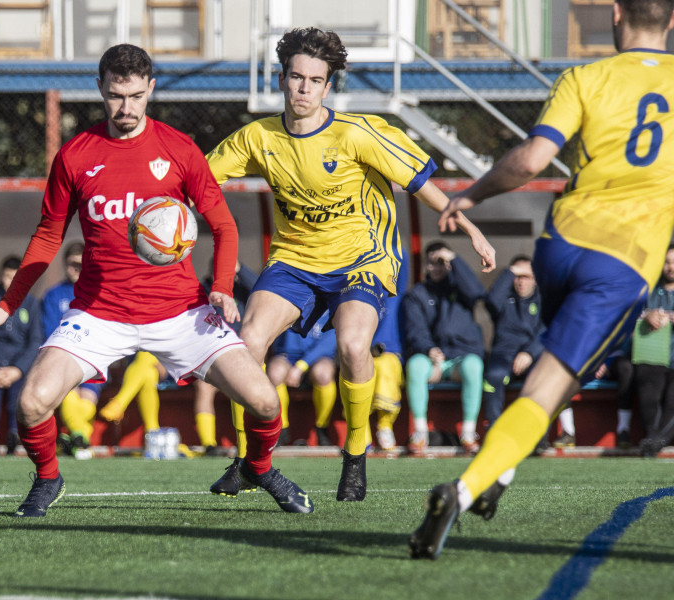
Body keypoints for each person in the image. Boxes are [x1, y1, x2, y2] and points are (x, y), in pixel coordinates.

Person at [0, 44, 313, 517]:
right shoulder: (75, 156)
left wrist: (219, 284)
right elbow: (48, 236)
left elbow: (224, 226)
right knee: (31, 404)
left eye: (136, 96)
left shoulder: (179, 149)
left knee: (262, 400)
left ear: (151, 89)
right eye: (116, 95)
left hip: (182, 312)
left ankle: (258, 467)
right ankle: (49, 479)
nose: (126, 108)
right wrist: (7, 305)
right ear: (100, 89)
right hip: (99, 312)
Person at [411, 0, 674, 559]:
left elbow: (533, 159)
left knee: (562, 367)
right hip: (622, 265)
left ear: (615, 13)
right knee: (555, 380)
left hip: (560, 246)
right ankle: (463, 490)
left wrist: (470, 195)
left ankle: (501, 474)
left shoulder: (583, 76)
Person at [206, 27, 495, 502]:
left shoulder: (356, 133)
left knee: (354, 346)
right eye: (296, 78)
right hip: (295, 260)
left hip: (363, 260)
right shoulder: (257, 137)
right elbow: (194, 176)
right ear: (282, 79)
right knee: (247, 342)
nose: (304, 89)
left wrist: (471, 230)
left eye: (315, 81)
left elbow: (422, 185)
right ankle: (247, 460)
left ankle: (355, 456)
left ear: (328, 86)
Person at [402, 241, 486, 456]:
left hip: (460, 358)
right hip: (432, 359)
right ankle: (420, 433)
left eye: (441, 263)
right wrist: (430, 350)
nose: (436, 268)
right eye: (432, 263)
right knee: (415, 366)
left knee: (474, 366)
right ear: (425, 266)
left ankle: (468, 433)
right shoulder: (417, 294)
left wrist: (454, 259)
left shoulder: (461, 288)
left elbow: (477, 293)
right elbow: (415, 330)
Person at [0, 256, 44, 455]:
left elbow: (35, 341)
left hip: (18, 366)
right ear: (0, 276)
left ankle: (15, 438)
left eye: (15, 277)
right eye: (6, 276)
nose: (10, 282)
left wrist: (18, 369)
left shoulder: (31, 303)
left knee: (19, 401)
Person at [41, 241, 103, 457]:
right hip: (64, 360)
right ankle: (82, 438)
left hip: (93, 358)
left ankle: (74, 439)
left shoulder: (98, 292)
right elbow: (50, 330)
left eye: (81, 263)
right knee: (69, 395)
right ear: (65, 264)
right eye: (72, 263)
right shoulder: (53, 295)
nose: (76, 268)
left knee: (87, 403)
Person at [196, 260, 259, 456]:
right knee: (203, 387)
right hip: (211, 356)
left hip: (240, 356)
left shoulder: (240, 290)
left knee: (248, 387)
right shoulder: (200, 292)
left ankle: (252, 444)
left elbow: (259, 289)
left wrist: (239, 267)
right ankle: (209, 445)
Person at [482, 255, 544, 429]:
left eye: (526, 276)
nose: (521, 282)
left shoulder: (544, 299)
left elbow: (547, 332)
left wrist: (529, 353)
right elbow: (491, 302)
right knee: (493, 376)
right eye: (517, 276)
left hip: (532, 356)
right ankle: (494, 429)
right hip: (503, 355)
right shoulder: (503, 299)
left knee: (541, 379)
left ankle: (537, 434)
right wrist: (509, 271)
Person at [266, 313, 337, 447]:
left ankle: (322, 428)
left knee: (323, 374)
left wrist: (301, 366)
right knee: (275, 373)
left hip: (319, 356)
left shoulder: (330, 296)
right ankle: (281, 429)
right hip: (287, 355)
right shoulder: (289, 295)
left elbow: (331, 339)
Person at [635, 244, 674, 457]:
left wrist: (669, 317)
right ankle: (652, 436)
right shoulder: (649, 290)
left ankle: (655, 442)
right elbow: (631, 314)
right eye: (667, 262)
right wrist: (648, 314)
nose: (671, 267)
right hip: (652, 357)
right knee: (647, 385)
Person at [371, 247, 408, 452]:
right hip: (362, 354)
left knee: (384, 366)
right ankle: (360, 431)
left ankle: (385, 426)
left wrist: (383, 237)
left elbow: (403, 258)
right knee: (359, 369)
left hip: (390, 355)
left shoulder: (395, 294)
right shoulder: (359, 297)